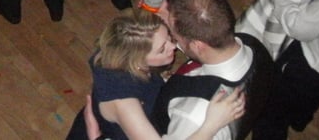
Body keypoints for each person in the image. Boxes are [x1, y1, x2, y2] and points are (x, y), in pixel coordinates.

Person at [66, 10, 246, 140]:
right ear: (137, 60)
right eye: (162, 49)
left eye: (168, 36)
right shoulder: (124, 104)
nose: (173, 46)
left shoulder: (117, 48)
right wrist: (212, 124)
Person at [150, 0, 273, 140]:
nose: (173, 39)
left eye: (174, 36)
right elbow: (200, 48)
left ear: (197, 46)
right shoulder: (253, 44)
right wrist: (171, 19)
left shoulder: (192, 115)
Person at [251, 0, 319, 138]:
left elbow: (298, 27)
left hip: (310, 64)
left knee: (270, 113)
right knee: (314, 94)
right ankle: (299, 118)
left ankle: (290, 116)